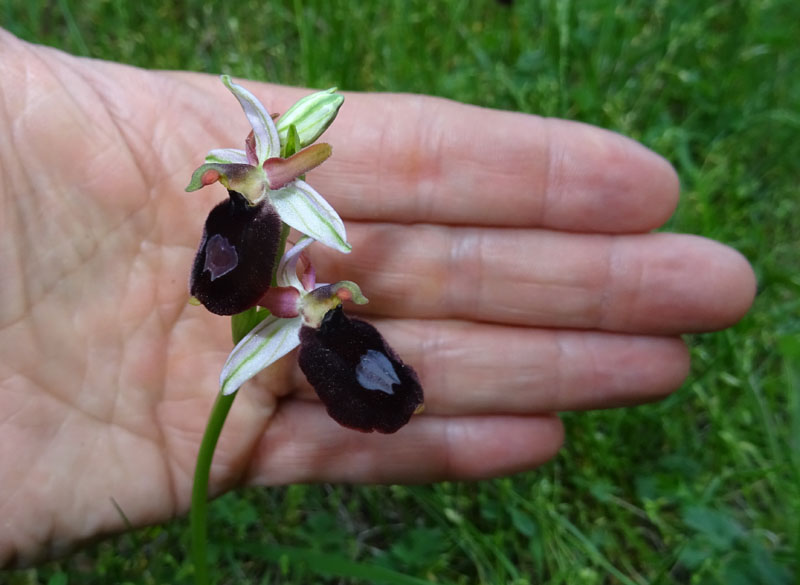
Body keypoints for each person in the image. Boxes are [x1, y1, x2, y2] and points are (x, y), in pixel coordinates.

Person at [0, 28, 755, 568]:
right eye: (237, 180)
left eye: (249, 179)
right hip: (277, 285)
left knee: (324, 332)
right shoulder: (268, 212)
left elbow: (319, 250)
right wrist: (253, 218)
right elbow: (270, 258)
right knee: (236, 279)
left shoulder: (302, 233)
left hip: (295, 302)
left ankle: (378, 383)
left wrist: (316, 297)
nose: (241, 185)